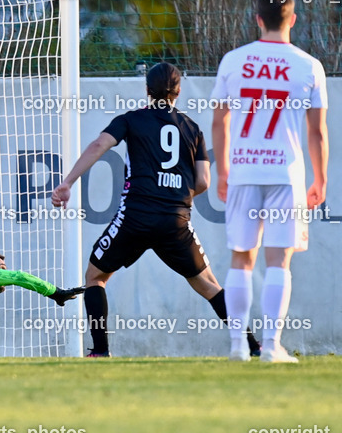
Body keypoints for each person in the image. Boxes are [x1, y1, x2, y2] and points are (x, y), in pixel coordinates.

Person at [52, 62, 260, 357]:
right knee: (209, 285)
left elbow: (99, 145)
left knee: (96, 277)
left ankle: (100, 351)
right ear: (178, 91)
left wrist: (67, 182)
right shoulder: (192, 128)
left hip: (135, 218)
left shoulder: (131, 119)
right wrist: (174, 193)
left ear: (147, 89)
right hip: (175, 220)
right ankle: (253, 346)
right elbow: (203, 181)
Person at [211, 0, 328, 363]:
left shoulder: (233, 60)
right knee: (279, 261)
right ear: (293, 19)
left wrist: (223, 171)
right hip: (286, 173)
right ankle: (271, 345)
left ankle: (237, 346)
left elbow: (219, 120)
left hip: (244, 170)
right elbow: (317, 132)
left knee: (241, 259)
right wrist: (320, 179)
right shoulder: (309, 65)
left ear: (258, 19)